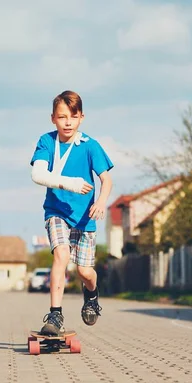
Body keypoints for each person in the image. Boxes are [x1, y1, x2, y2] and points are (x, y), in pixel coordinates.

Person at [30, 90, 113, 336]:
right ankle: (55, 314)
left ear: (81, 118)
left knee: (84, 272)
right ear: (53, 118)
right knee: (61, 255)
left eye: (73, 117)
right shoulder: (46, 142)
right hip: (56, 212)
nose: (68, 122)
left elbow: (106, 180)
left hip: (85, 217)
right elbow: (38, 175)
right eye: (62, 117)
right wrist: (70, 183)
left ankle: (92, 294)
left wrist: (101, 202)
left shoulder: (90, 146)